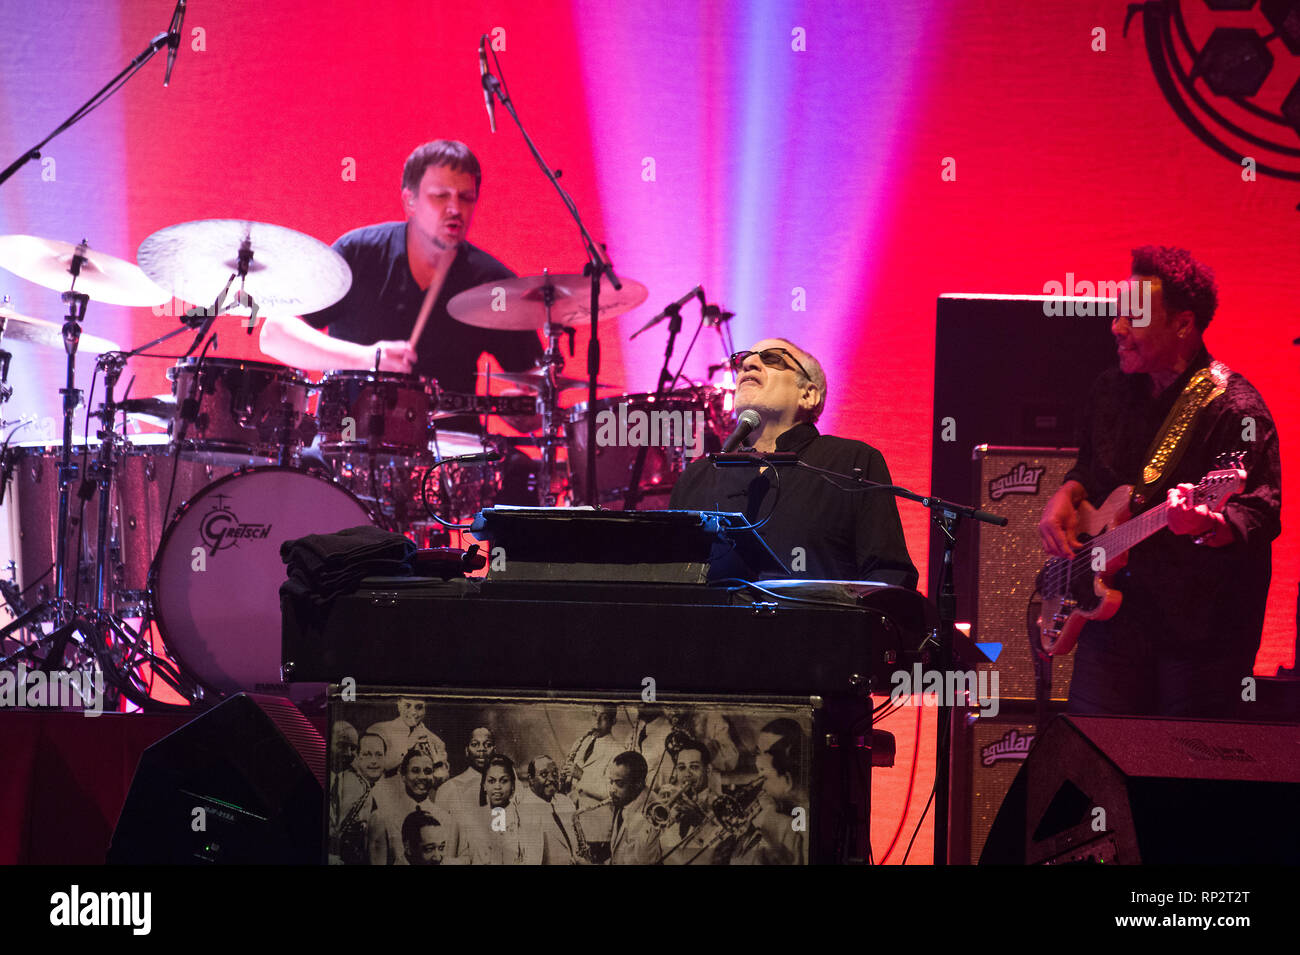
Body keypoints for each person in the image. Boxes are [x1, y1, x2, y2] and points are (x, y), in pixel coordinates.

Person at [1038, 246, 1281, 719]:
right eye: (1118, 314)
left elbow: (1259, 513)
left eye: (1134, 317)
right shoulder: (1109, 390)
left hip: (1197, 637)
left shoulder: (1234, 408)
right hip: (1112, 623)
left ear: (1183, 324)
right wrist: (1067, 494)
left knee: (1181, 781)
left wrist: (1208, 525)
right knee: (1094, 764)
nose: (1117, 328)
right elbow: (1092, 470)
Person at [258, 140, 542, 402]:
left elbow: (535, 391)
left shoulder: (492, 284)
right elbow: (274, 334)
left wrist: (524, 410)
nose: (455, 209)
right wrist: (369, 358)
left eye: (466, 197)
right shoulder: (359, 253)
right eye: (440, 196)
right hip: (348, 437)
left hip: (453, 448)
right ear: (410, 201)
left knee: (519, 460)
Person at [667, 338, 917, 586]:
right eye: (743, 360)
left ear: (808, 395)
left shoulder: (853, 462)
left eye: (772, 357)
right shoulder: (697, 476)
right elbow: (669, 579)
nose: (748, 364)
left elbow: (889, 576)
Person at [367, 745, 467, 865]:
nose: (422, 777)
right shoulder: (382, 818)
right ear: (403, 775)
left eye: (428, 771)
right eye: (415, 771)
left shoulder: (448, 820)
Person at [328, 731, 386, 865]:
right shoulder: (346, 784)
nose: (374, 761)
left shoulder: (373, 791)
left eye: (379, 755)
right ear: (358, 758)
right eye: (367, 754)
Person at [560, 705, 624, 811]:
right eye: (594, 715)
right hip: (571, 811)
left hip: (596, 817)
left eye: (604, 718)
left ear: (614, 721)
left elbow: (613, 792)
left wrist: (581, 775)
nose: (596, 722)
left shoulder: (618, 751)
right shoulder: (580, 742)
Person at [364, 697, 448, 776]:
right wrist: (406, 748)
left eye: (419, 707)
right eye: (407, 706)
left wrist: (438, 766)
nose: (413, 712)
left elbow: (441, 780)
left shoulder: (436, 741)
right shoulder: (378, 730)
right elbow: (372, 770)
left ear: (425, 709)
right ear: (399, 705)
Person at [518, 755, 578, 865]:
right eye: (544, 774)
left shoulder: (566, 802)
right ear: (530, 779)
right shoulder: (523, 809)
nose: (551, 779)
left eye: (555, 774)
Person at [435, 726, 496, 815]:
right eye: (475, 744)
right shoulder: (448, 789)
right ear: (467, 751)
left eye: (488, 745)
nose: (481, 749)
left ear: (494, 750)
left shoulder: (506, 786)